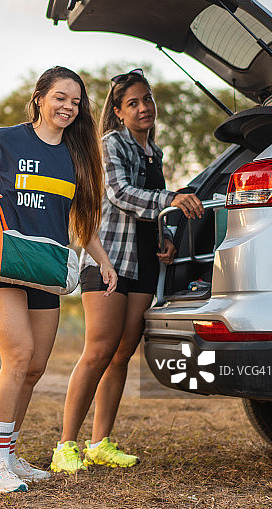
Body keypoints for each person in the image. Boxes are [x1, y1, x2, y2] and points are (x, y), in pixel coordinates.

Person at [0, 66, 117, 493]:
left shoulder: (77, 154)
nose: (68, 107)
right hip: (1, 264)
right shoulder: (6, 139)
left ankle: (12, 455)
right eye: (61, 97)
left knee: (35, 367)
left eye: (76, 102)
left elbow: (82, 221)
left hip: (46, 269)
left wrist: (103, 261)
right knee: (19, 355)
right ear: (40, 97)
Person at [51, 68, 204, 473]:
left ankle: (99, 443)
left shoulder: (154, 152)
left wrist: (165, 236)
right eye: (133, 103)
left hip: (144, 262)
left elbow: (151, 209)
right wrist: (171, 198)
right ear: (118, 112)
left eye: (147, 100)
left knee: (121, 353)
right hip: (108, 259)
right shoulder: (110, 144)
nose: (143, 108)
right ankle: (65, 445)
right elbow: (118, 193)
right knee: (98, 350)